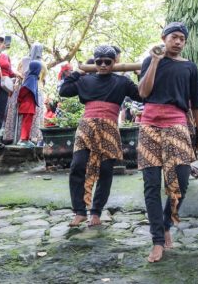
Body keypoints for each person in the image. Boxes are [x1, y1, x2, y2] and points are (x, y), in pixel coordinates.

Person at [136, 23, 198, 263]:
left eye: (182, 38)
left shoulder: (189, 67)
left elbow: (196, 104)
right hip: (149, 125)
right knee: (151, 184)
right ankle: (157, 239)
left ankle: (167, 222)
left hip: (177, 125)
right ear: (163, 38)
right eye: (173, 37)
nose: (178, 41)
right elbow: (143, 93)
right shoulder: (150, 62)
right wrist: (155, 62)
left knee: (182, 179)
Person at [59, 45, 141, 228]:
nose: (103, 65)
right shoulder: (85, 80)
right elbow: (63, 91)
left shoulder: (122, 82)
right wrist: (77, 73)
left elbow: (142, 96)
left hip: (110, 128)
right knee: (77, 166)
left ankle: (96, 211)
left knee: (105, 171)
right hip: (86, 127)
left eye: (107, 62)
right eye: (99, 62)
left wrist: (139, 74)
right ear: (94, 62)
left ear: (114, 62)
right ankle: (79, 211)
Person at [15, 60, 42, 147]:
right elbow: (24, 89)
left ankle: (25, 139)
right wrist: (19, 99)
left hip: (29, 104)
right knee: (26, 122)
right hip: (27, 104)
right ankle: (23, 139)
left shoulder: (32, 78)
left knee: (28, 122)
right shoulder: (31, 78)